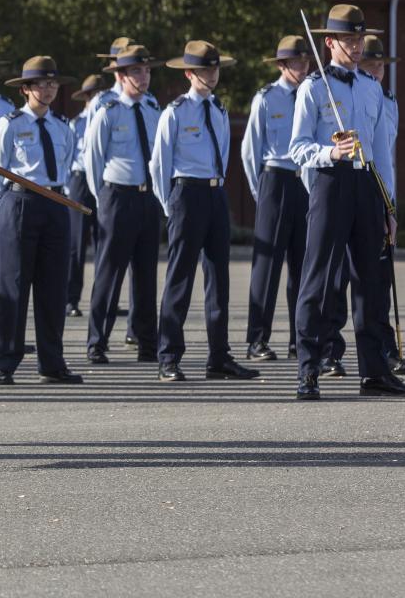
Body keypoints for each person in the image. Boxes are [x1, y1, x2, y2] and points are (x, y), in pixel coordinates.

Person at [288, 4, 405, 399]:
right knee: (317, 280)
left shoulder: (371, 87)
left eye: (360, 38)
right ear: (329, 43)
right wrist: (330, 153)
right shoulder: (313, 88)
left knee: (372, 285)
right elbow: (296, 148)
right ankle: (308, 370)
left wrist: (389, 207)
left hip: (367, 186)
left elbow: (382, 152)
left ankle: (375, 371)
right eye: (349, 39)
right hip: (331, 184)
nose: (357, 45)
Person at [150, 41, 258, 382]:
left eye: (214, 69)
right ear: (189, 73)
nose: (211, 76)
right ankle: (168, 356)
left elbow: (223, 155)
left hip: (214, 194)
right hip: (186, 193)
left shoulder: (220, 110)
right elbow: (159, 164)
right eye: (204, 70)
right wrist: (171, 205)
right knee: (179, 278)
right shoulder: (176, 111)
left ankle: (219, 357)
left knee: (218, 279)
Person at [0, 57, 82, 385]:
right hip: (20, 202)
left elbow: (68, 164)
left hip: (56, 204)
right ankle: (4, 361)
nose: (48, 89)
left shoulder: (61, 125)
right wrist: (15, 202)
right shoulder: (10, 124)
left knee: (53, 287)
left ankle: (52, 362)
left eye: (53, 83)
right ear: (26, 89)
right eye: (41, 83)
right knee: (13, 286)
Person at [346, 35, 405, 376]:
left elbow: (385, 156)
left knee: (379, 282)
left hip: (378, 189)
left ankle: (387, 352)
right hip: (348, 189)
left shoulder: (388, 100)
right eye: (370, 65)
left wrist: (390, 204)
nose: (377, 71)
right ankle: (330, 354)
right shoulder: (348, 94)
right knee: (338, 283)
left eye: (380, 66)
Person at [82, 45, 162, 365]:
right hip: (117, 196)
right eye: (136, 72)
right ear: (120, 76)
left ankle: (146, 343)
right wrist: (103, 197)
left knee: (145, 275)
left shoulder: (155, 111)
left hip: (148, 197)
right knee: (109, 274)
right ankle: (97, 343)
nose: (143, 77)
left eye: (147, 71)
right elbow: (93, 159)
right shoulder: (108, 111)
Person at [241, 35, 311, 361]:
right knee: (267, 268)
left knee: (302, 267)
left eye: (306, 61)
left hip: (306, 182)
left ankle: (301, 339)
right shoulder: (266, 99)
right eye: (297, 62)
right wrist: (261, 192)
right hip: (276, 179)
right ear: (282, 65)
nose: (303, 67)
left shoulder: (312, 94)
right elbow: (249, 151)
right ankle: (257, 340)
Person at [64, 74, 105, 317]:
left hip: (101, 180)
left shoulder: (109, 116)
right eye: (95, 94)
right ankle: (71, 299)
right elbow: (67, 158)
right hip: (80, 180)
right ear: (87, 98)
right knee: (76, 243)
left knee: (104, 242)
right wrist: (69, 189)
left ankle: (102, 299)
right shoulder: (75, 124)